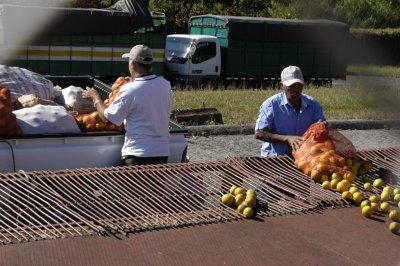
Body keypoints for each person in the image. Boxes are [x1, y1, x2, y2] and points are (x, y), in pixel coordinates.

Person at [83, 44, 173, 166]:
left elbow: (107, 117)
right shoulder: (165, 85)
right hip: (162, 154)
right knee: (154, 186)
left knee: (133, 186)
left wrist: (96, 98)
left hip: (137, 155)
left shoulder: (129, 89)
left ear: (133, 65)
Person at [255, 65, 326, 157]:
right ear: (282, 86)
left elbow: (323, 127)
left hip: (304, 157)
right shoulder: (271, 104)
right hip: (275, 157)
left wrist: (321, 128)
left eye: (299, 85)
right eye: (291, 86)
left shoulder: (313, 105)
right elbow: (259, 133)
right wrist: (287, 138)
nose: (296, 89)